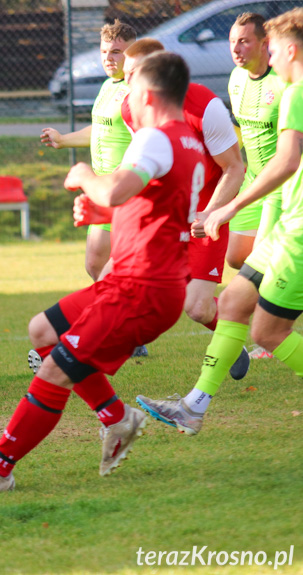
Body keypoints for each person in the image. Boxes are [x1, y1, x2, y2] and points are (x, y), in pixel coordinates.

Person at [0, 52, 207, 494]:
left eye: (130, 87)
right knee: (43, 331)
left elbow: (114, 186)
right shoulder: (188, 142)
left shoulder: (155, 137)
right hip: (139, 280)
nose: (125, 96)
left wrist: (84, 175)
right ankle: (118, 419)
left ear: (146, 92)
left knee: (54, 372)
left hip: (140, 288)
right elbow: (153, 207)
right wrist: (103, 207)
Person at [135, 8, 303, 436]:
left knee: (268, 332)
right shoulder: (282, 89)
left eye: (271, 45)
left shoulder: (294, 93)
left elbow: (284, 163)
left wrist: (225, 208)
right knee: (232, 303)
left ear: (286, 48)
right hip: (285, 218)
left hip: (296, 225)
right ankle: (193, 407)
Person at [118, 39, 249, 379]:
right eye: (127, 74)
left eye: (137, 74)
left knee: (197, 307)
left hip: (206, 213)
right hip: (169, 216)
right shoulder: (130, 108)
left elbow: (235, 167)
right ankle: (79, 352)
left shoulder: (205, 106)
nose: (129, 83)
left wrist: (212, 212)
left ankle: (235, 336)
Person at [40, 20, 136, 282]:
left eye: (116, 52)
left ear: (133, 53)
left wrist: (126, 174)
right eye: (104, 52)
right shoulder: (108, 87)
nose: (109, 58)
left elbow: (146, 141)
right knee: (95, 265)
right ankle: (121, 316)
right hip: (101, 190)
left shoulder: (137, 91)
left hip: (126, 191)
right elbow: (100, 129)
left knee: (115, 271)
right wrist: (63, 140)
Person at [227, 12, 288, 361]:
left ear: (265, 44)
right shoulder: (236, 79)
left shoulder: (284, 82)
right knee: (238, 257)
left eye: (244, 41)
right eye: (233, 41)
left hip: (281, 184)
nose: (236, 48)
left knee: (261, 267)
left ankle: (268, 336)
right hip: (253, 181)